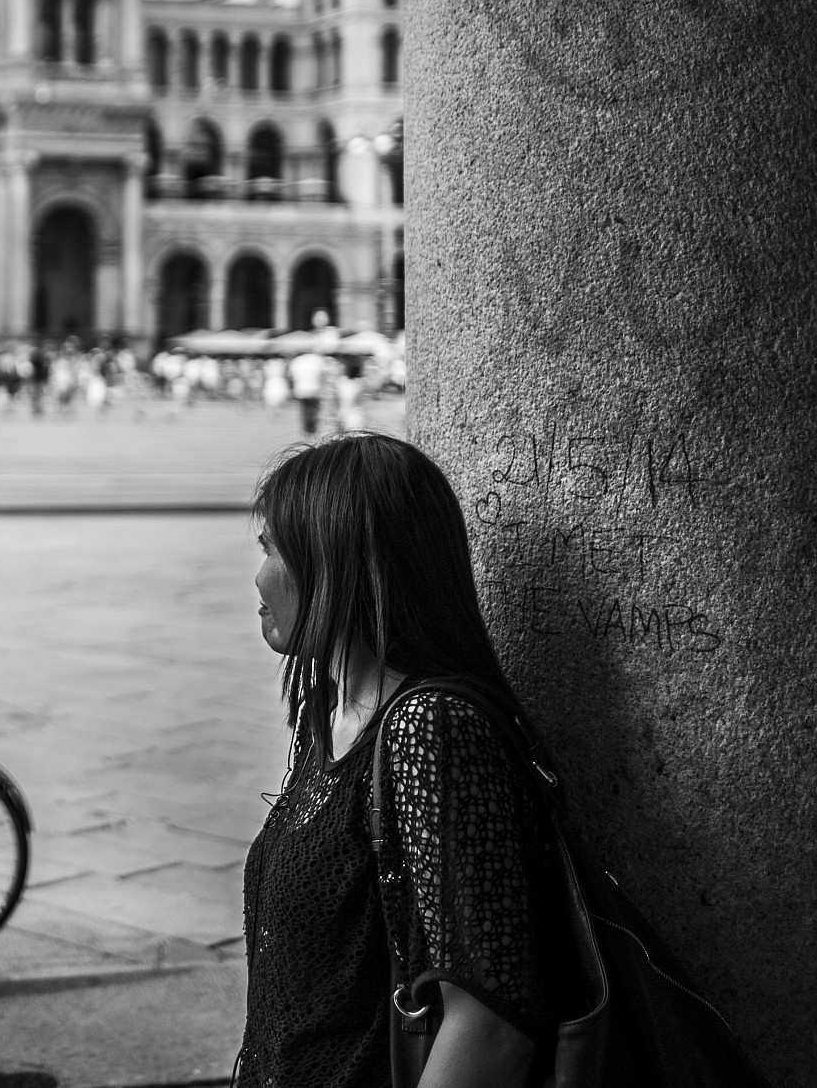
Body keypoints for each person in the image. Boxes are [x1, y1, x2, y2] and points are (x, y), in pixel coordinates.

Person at [238, 432, 581, 1088]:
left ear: (338, 561)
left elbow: (491, 1026)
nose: (259, 578)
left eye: (273, 549)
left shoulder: (431, 729)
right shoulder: (329, 716)